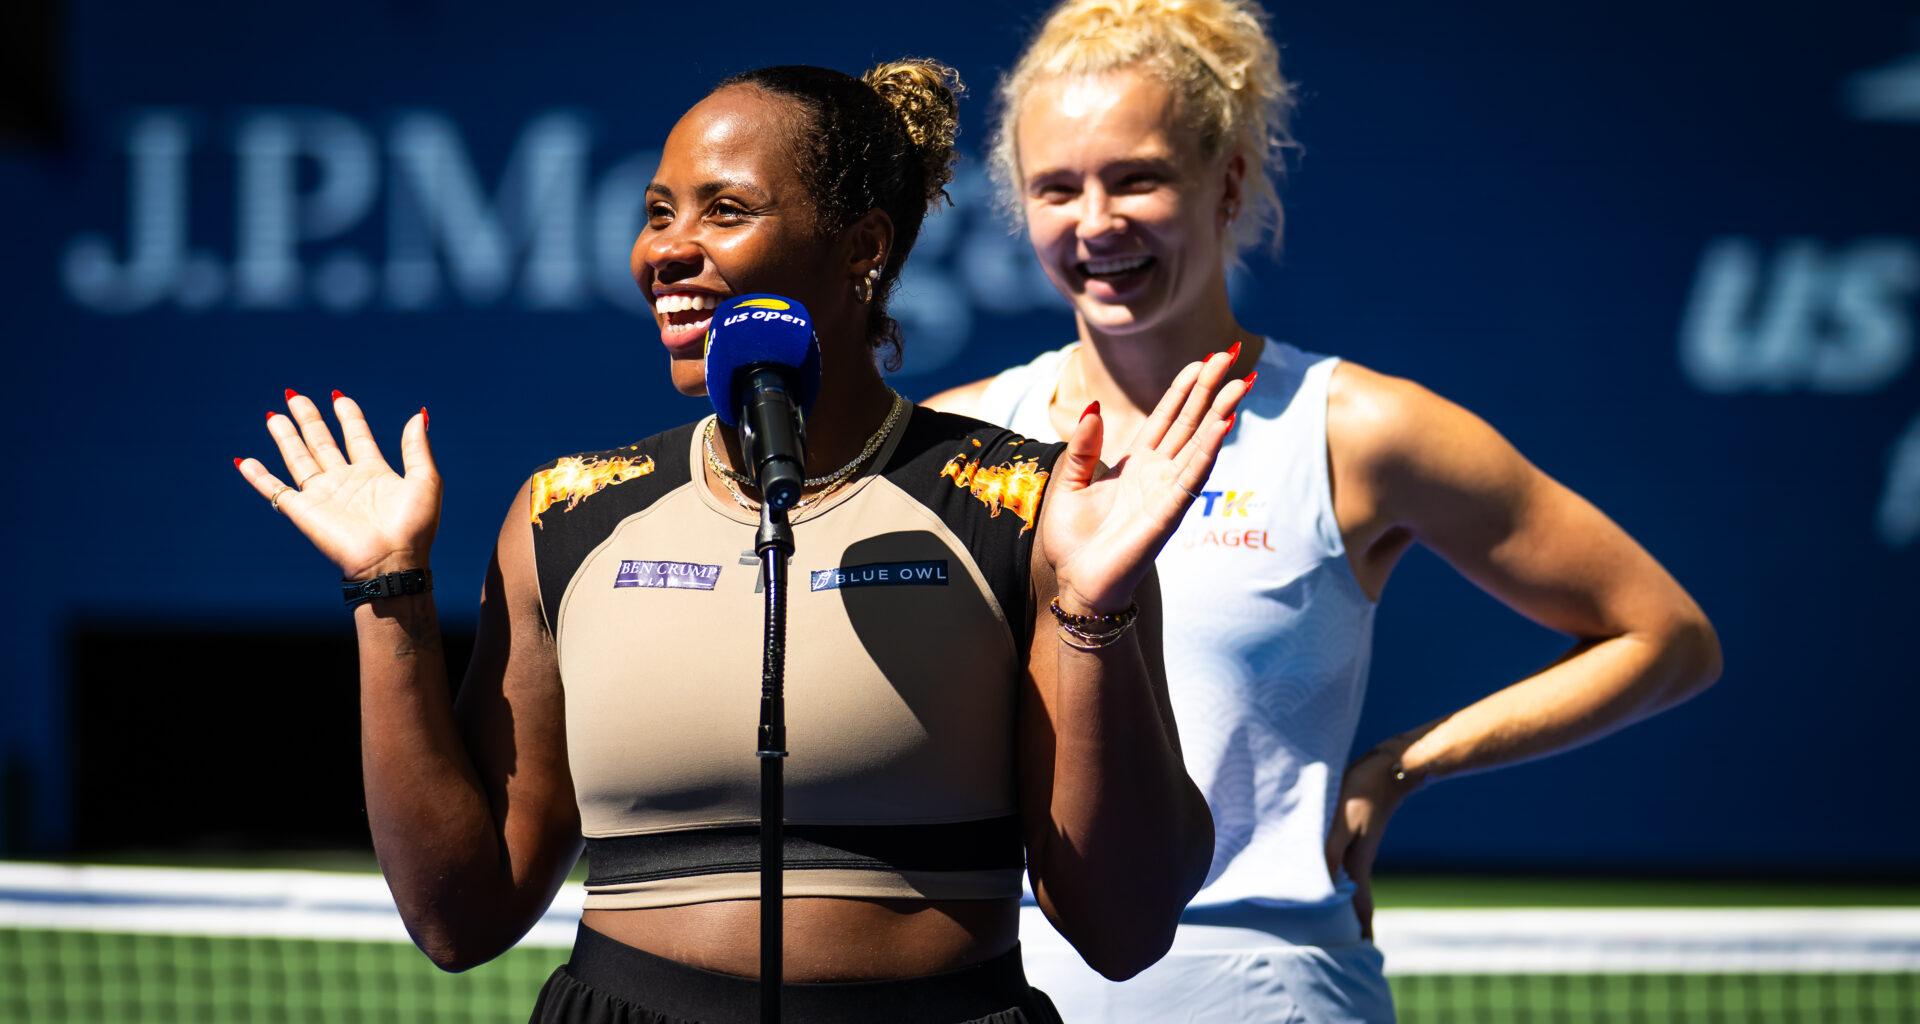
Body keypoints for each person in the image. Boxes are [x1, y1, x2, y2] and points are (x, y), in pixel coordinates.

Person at [234, 60, 1249, 1024]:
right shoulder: (565, 514)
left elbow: (1123, 928)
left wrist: (1096, 611)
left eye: (724, 210)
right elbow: (460, 918)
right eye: (657, 213)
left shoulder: (1032, 509)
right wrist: (387, 589)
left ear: (863, 247)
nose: (667, 250)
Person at [923, 2, 1725, 1020]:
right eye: (1057, 188)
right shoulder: (961, 439)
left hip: (1275, 989)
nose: (1096, 221)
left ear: (1227, 185)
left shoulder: (1354, 429)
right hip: (1010, 991)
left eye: (1136, 178)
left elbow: (1667, 638)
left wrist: (1404, 766)